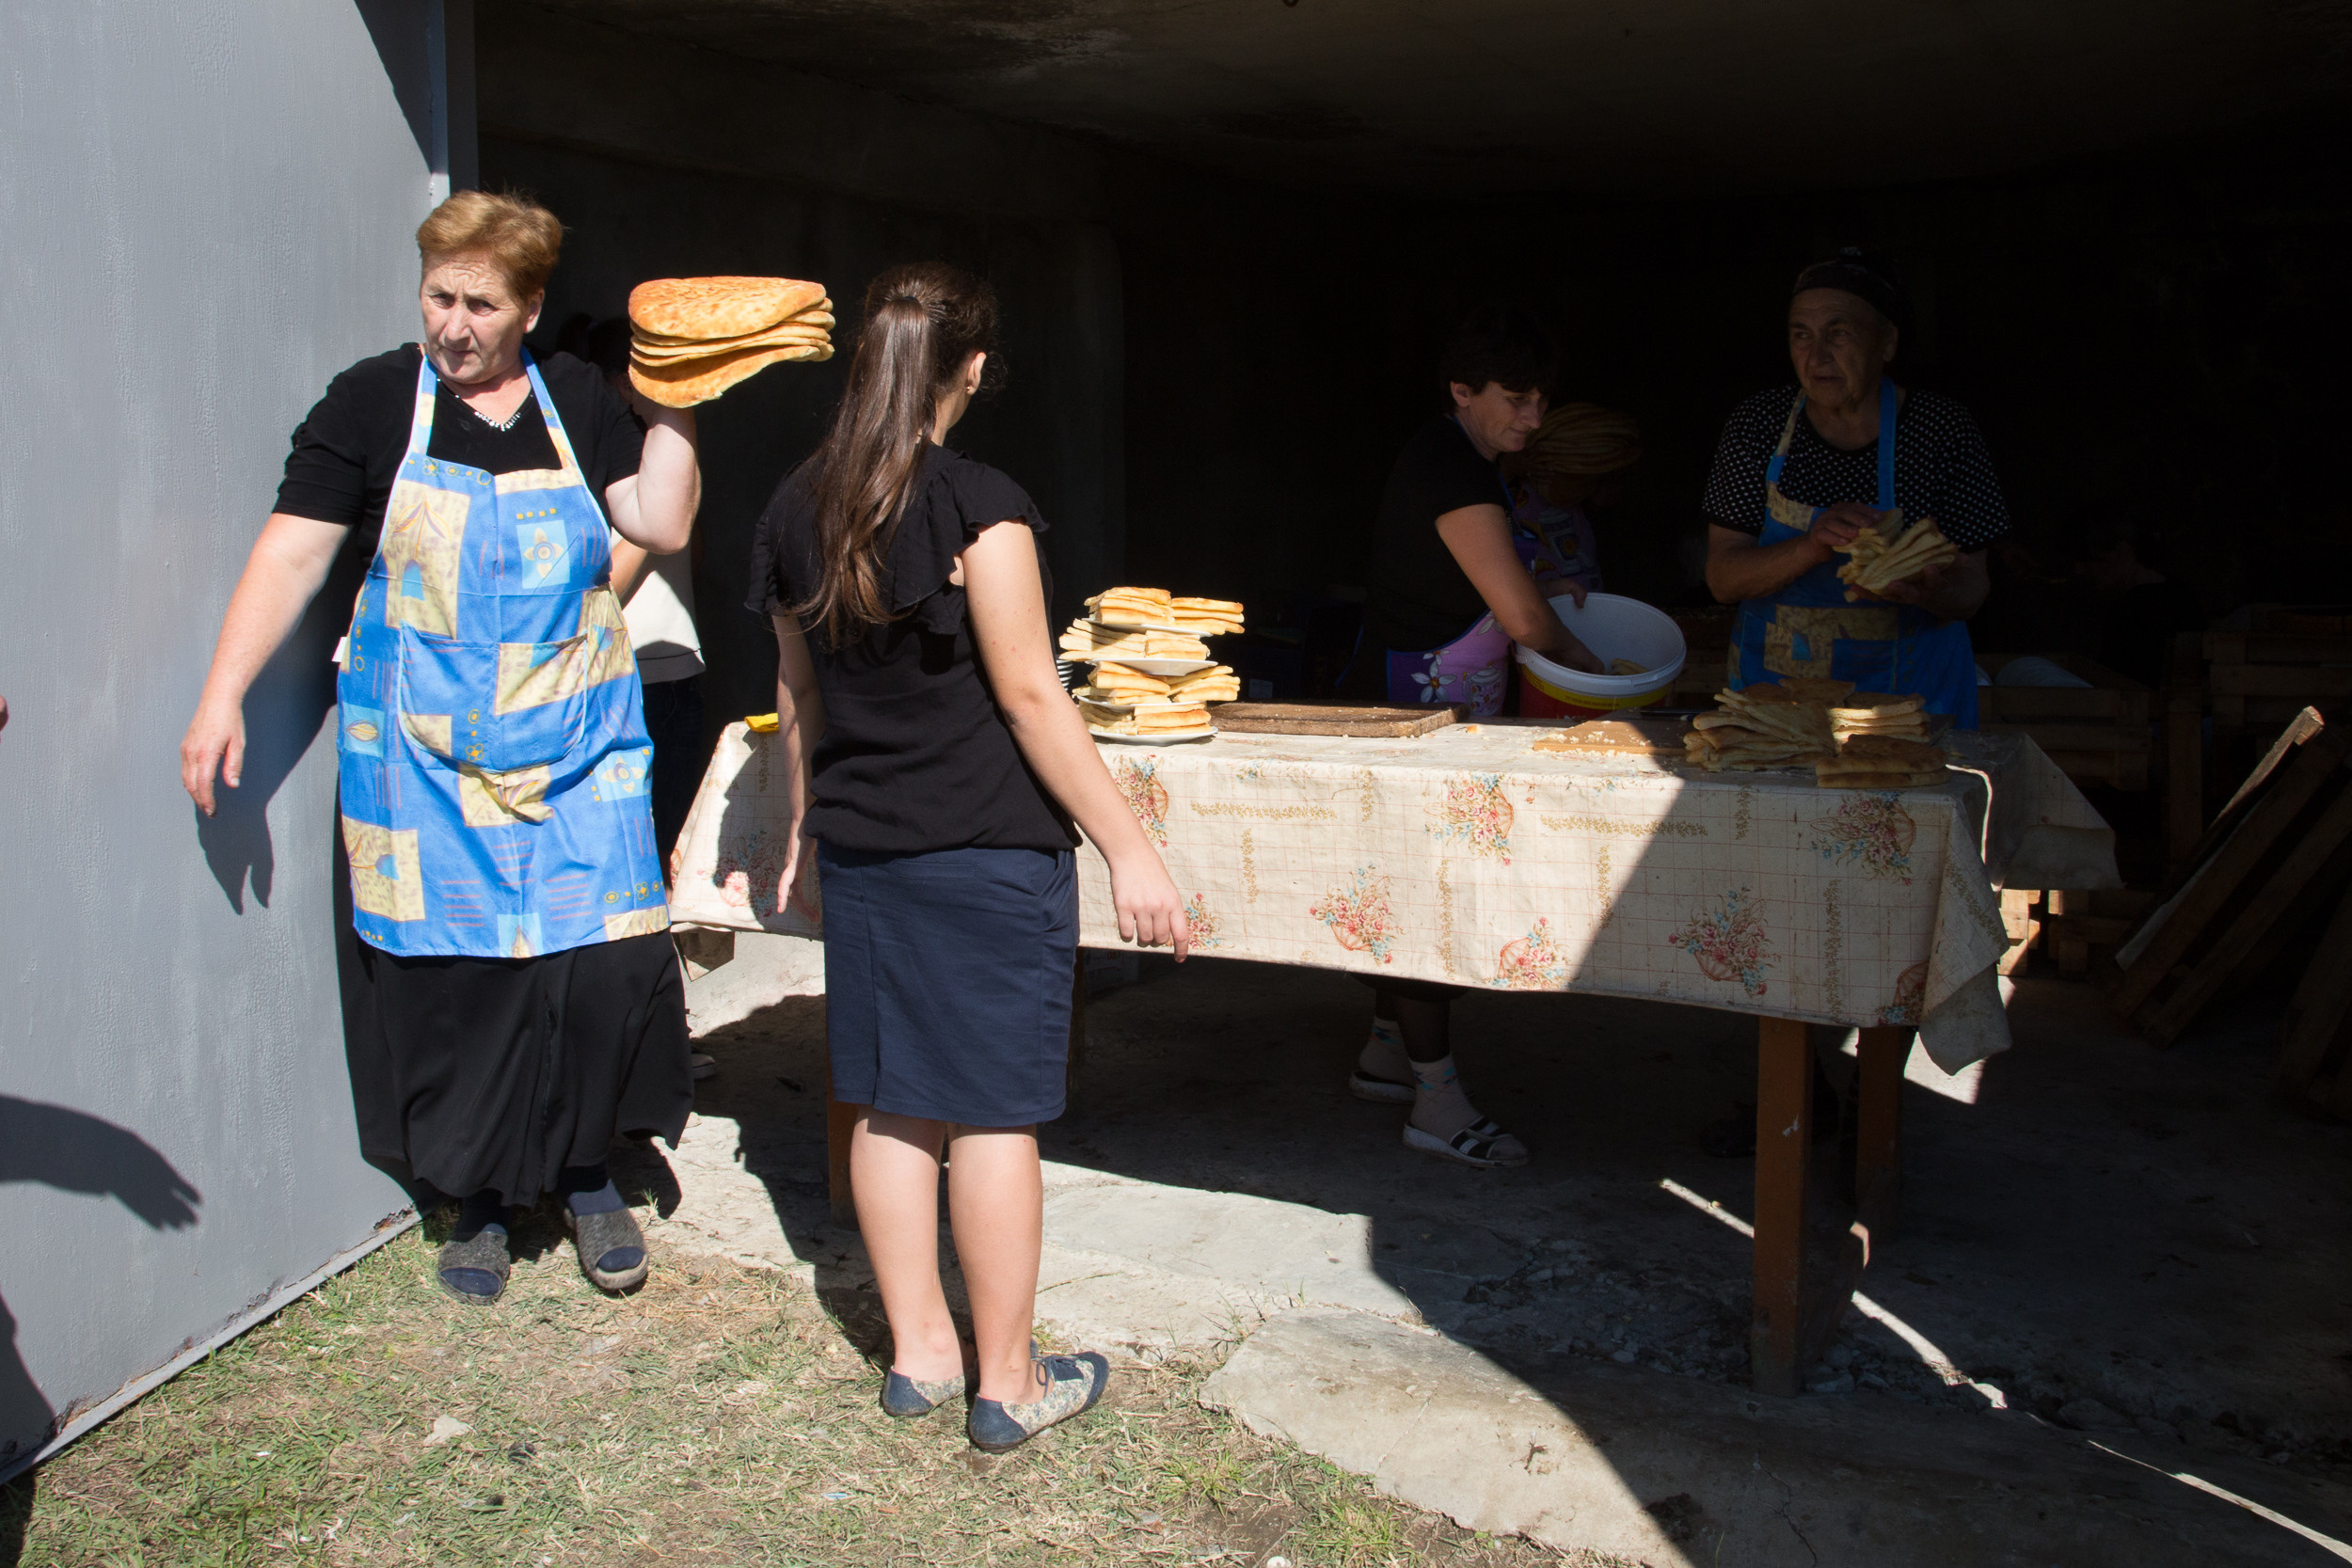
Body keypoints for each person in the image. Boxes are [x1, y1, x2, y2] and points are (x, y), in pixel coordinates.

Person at [179, 191, 701, 1305]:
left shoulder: (573, 397)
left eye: (480, 302)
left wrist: (683, 406)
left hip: (576, 740)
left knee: (597, 962)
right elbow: (292, 555)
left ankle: (584, 1168)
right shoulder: (373, 402)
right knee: (456, 975)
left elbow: (660, 523)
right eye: (438, 295)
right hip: (419, 748)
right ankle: (478, 1198)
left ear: (529, 307)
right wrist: (222, 694)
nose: (453, 323)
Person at [749, 261, 1190, 1452]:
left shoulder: (796, 505)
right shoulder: (978, 503)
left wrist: (800, 828)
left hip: (869, 850)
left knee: (893, 1101)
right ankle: (1008, 1381)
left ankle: (921, 1355)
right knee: (992, 1112)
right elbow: (1035, 697)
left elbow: (799, 700)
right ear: (974, 370)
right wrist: (1132, 851)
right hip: (986, 854)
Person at [1344, 309, 1604, 1169]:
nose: (1534, 419)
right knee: (1424, 896)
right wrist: (1603, 677)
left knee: (1414, 879)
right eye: (1517, 400)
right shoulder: (1450, 468)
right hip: (1412, 706)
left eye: (1541, 401)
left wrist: (1547, 579)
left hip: (1437, 700)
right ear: (1463, 392)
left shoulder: (1466, 462)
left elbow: (1500, 583)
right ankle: (1437, 1101)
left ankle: (1389, 1047)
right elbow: (1526, 618)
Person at [1701, 247, 2010, 725]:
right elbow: (1722, 578)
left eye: (1838, 333)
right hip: (1780, 709)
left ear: (1886, 342)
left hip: (1915, 708)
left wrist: (1921, 591)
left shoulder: (1941, 429)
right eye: (1801, 335)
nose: (1816, 355)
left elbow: (1972, 587)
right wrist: (1812, 547)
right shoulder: (1758, 424)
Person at [557, 314, 718, 1083]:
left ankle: (657, 1054)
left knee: (650, 875)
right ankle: (629, 1057)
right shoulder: (585, 449)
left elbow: (629, 561)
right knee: (616, 878)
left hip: (659, 679)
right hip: (609, 687)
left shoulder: (655, 456)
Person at [1498, 402, 1643, 606]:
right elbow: (1492, 491)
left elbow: (1602, 500)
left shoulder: (1577, 496)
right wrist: (1511, 465)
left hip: (1584, 590)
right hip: (1542, 597)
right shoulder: (1512, 490)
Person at [2070, 516, 2205, 689]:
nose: (2080, 570)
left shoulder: (2129, 610)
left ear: (2120, 551)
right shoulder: (2181, 595)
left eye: (2088, 559)